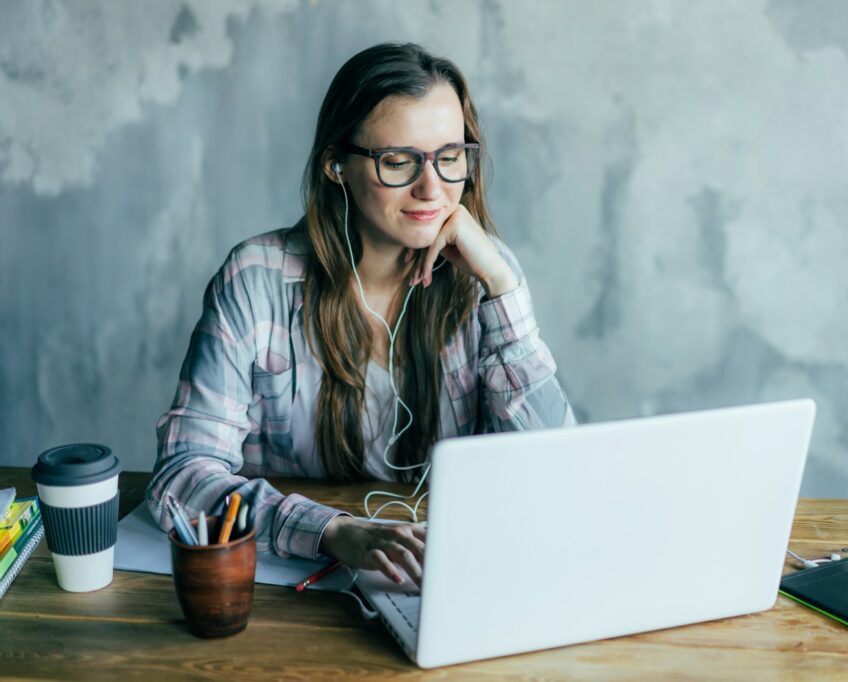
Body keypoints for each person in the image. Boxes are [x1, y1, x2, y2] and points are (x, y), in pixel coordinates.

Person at [145, 43, 575, 587]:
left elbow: (557, 477)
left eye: (449, 157)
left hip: (439, 578)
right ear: (336, 166)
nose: (432, 188)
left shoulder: (486, 277)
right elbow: (179, 479)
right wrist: (334, 531)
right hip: (289, 591)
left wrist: (503, 287)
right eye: (398, 161)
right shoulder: (256, 281)